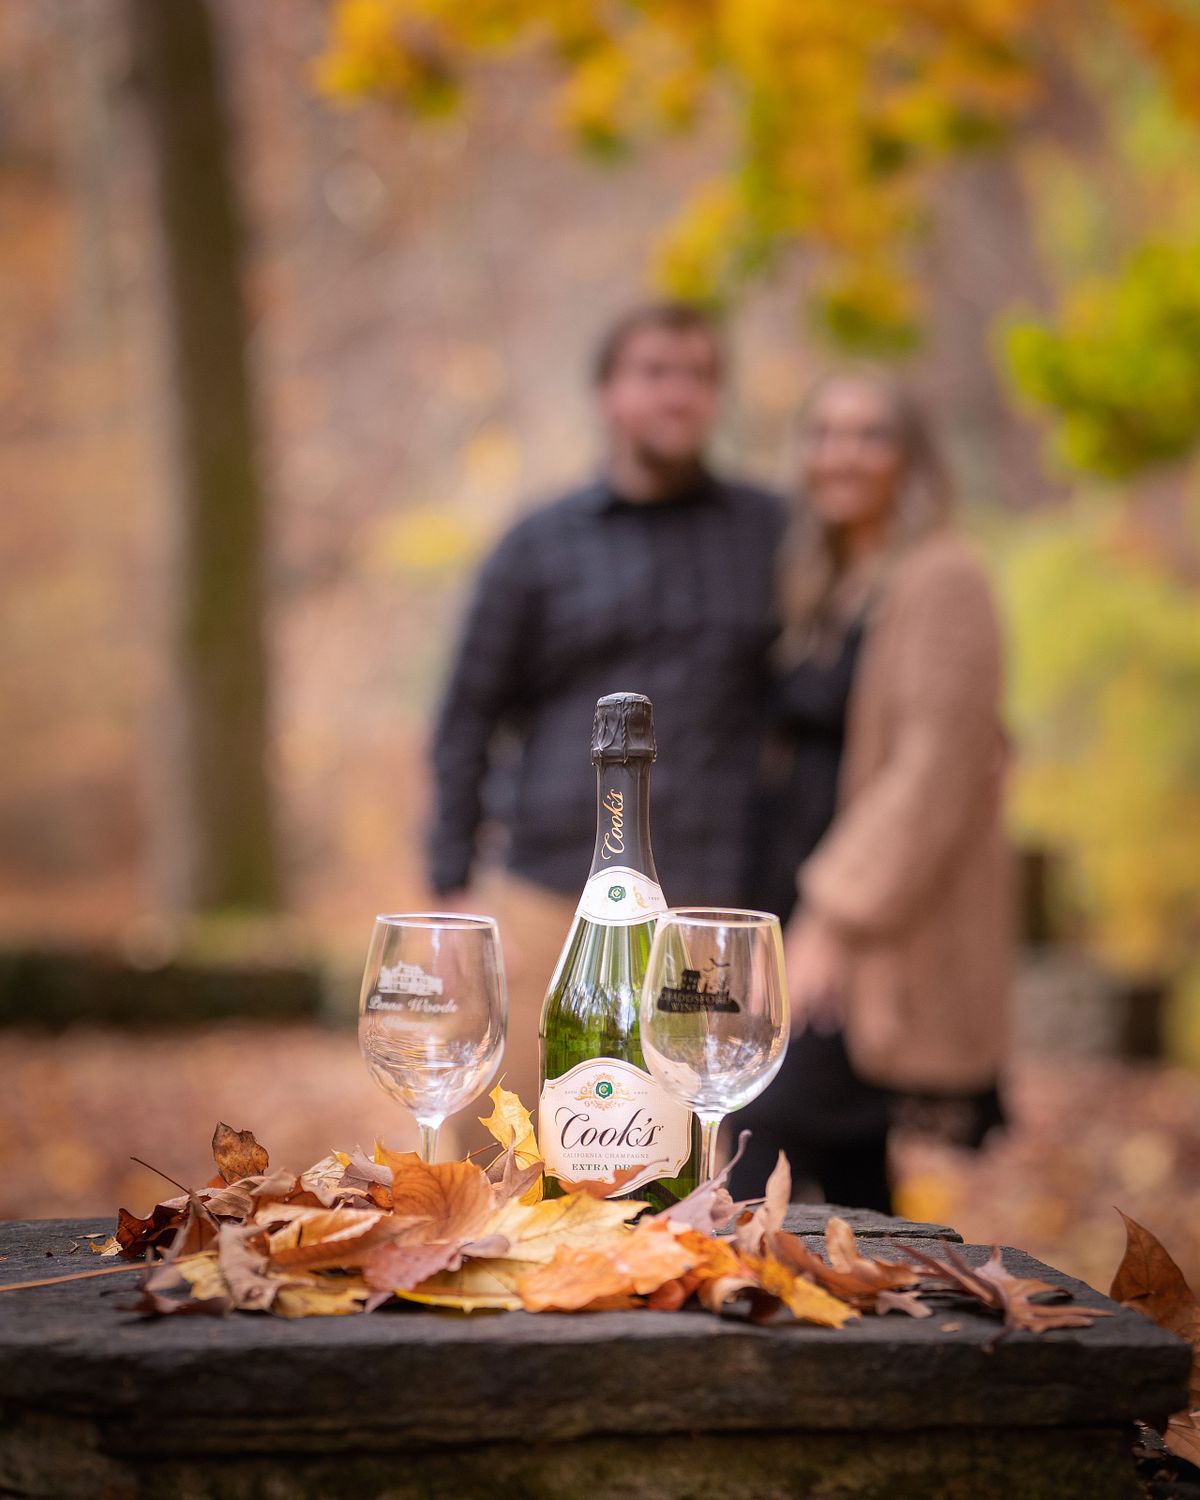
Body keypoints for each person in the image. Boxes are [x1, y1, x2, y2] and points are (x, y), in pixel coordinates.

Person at [429, 302, 785, 1128]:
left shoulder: (770, 535)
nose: (680, 394)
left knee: (677, 1173)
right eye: (656, 372)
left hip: (702, 922)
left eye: (700, 376)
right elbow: (466, 718)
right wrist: (451, 889)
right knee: (494, 1150)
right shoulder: (537, 546)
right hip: (546, 899)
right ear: (608, 394)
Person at [733, 367, 1013, 1214]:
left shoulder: (944, 578)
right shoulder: (829, 585)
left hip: (867, 920)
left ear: (911, 459)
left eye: (868, 435)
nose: (841, 454)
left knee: (753, 1139)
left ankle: (703, 1337)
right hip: (797, 900)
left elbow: (936, 768)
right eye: (824, 433)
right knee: (852, 1168)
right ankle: (903, 1337)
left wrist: (833, 919)